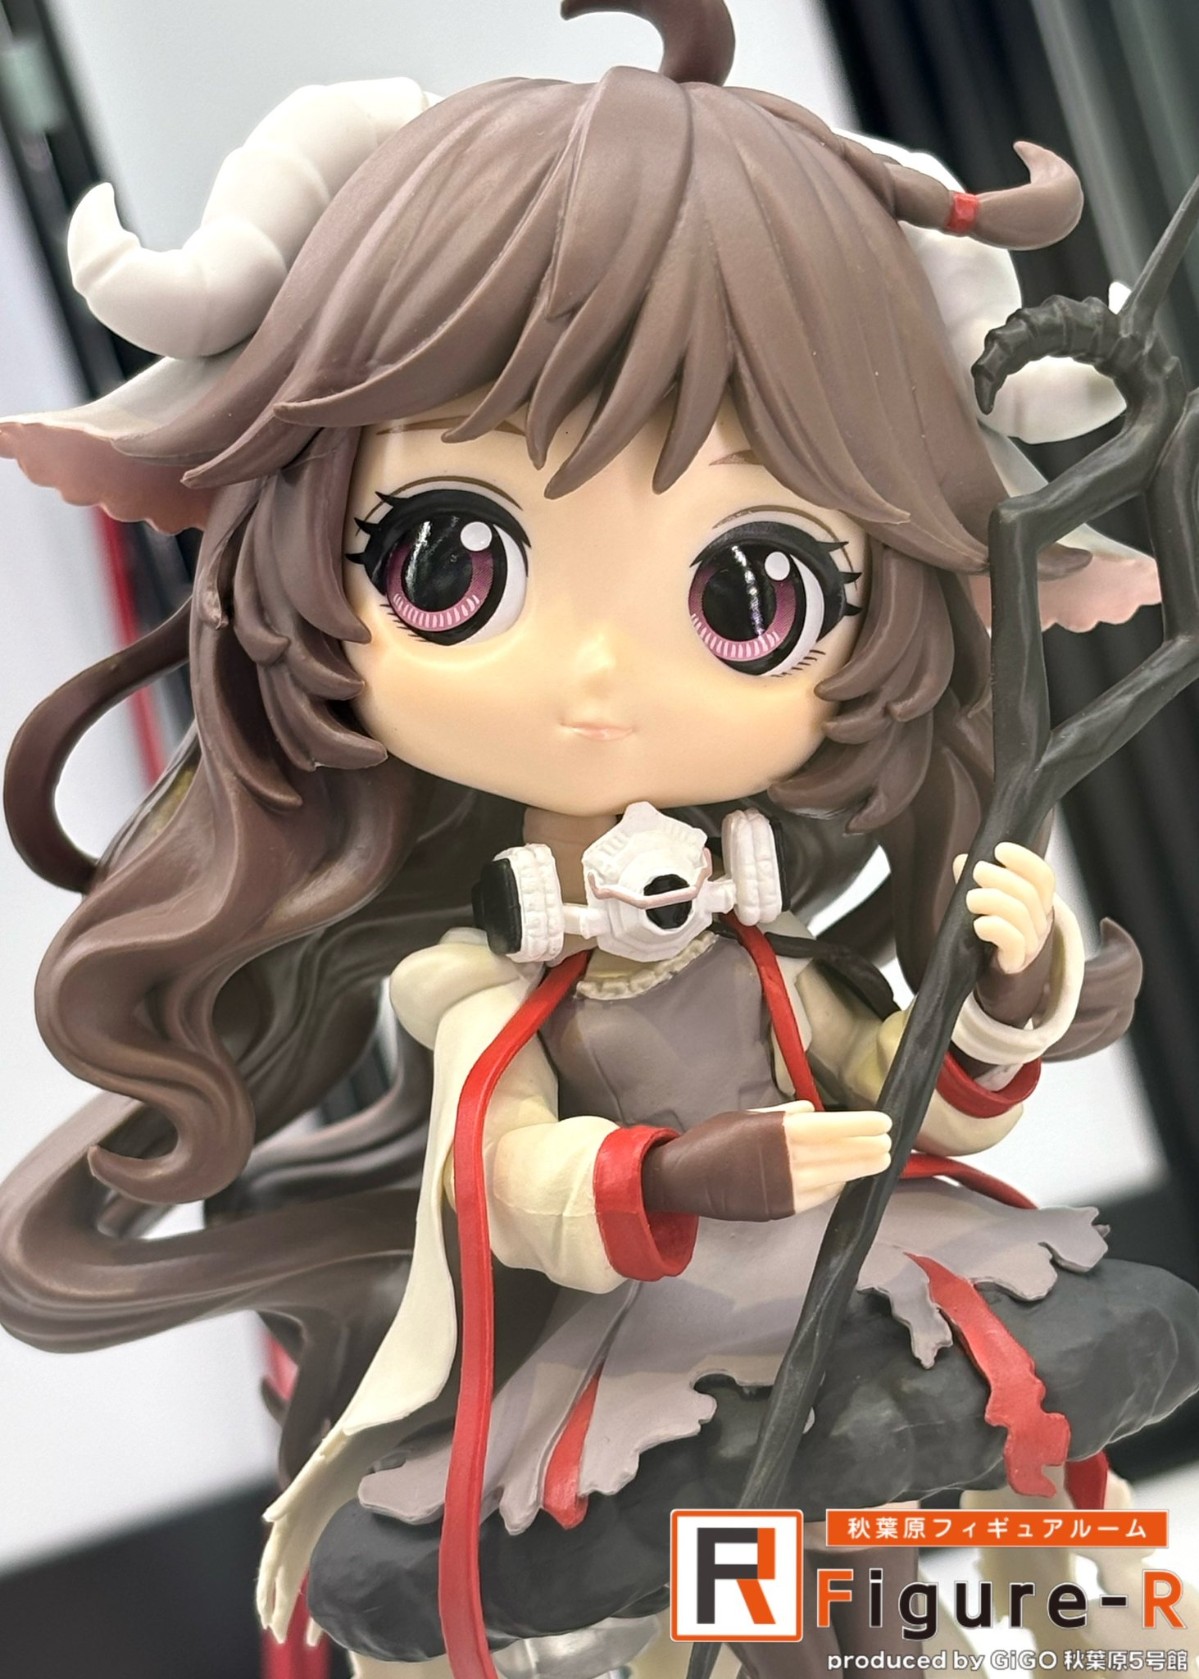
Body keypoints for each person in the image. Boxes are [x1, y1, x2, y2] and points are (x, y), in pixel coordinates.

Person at [2, 3, 1196, 1675]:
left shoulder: (761, 938)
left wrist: (996, 1006)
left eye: (753, 590)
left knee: (1031, 1564)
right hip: (658, 1330)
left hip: (863, 1275)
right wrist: (689, 1175)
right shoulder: (479, 984)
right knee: (735, 1609)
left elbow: (895, 1088)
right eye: (448, 560)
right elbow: (510, 1179)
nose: (595, 678)